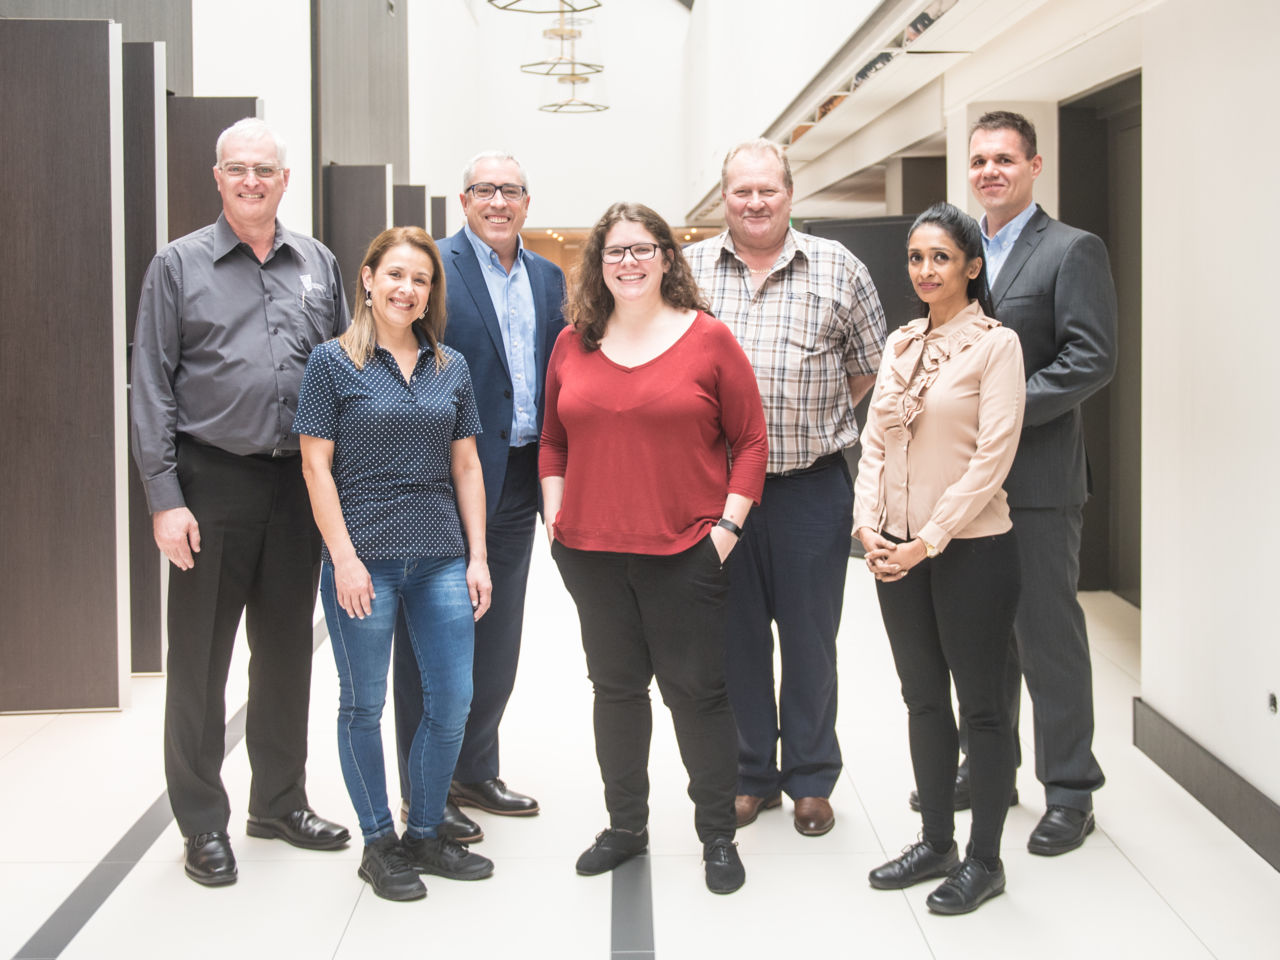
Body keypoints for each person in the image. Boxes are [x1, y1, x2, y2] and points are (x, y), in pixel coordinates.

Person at [130, 117, 350, 886]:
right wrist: (164, 498)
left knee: (286, 653)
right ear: (217, 178)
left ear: (284, 180)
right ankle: (201, 821)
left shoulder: (317, 263)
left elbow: (344, 372)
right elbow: (152, 386)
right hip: (210, 483)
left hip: (296, 485)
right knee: (200, 661)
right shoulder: (177, 264)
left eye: (264, 169)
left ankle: (279, 802)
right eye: (237, 169)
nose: (251, 181)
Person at [540, 202, 768, 894]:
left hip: (685, 553)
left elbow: (751, 442)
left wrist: (725, 532)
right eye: (615, 251)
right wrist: (556, 519)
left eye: (642, 249)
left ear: (667, 258)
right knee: (615, 692)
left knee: (698, 696)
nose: (629, 262)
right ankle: (626, 827)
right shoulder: (572, 343)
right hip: (591, 554)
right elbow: (553, 440)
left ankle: (717, 837)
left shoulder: (709, 339)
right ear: (598, 264)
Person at [920, 111, 1116, 855]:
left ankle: (1070, 790)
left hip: (1036, 481)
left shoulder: (1071, 250)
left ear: (1034, 166)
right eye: (979, 160)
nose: (990, 171)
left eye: (1004, 159)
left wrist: (997, 410)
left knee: (1046, 637)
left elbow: (1090, 358)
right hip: (965, 484)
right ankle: (989, 772)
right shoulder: (960, 253)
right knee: (981, 639)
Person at [685, 139, 886, 836]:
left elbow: (868, 367)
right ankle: (751, 776)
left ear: (790, 194)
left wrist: (812, 417)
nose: (755, 202)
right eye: (741, 191)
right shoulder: (688, 272)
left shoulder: (840, 267)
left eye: (767, 189)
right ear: (724, 198)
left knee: (810, 641)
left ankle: (810, 777)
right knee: (734, 640)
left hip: (810, 489)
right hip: (719, 494)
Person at [294, 226, 495, 901]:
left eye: (422, 279)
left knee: (453, 701)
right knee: (364, 704)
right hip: (364, 561)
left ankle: (425, 831)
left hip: (440, 557)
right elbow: (316, 468)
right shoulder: (331, 362)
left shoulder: (450, 366)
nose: (408, 289)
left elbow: (466, 466)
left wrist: (478, 557)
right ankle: (379, 843)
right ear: (369, 279)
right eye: (397, 275)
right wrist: (343, 559)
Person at [856, 202, 1025, 915]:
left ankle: (985, 860)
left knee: (982, 710)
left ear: (972, 267)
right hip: (896, 550)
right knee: (923, 699)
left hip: (971, 550)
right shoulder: (899, 344)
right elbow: (873, 443)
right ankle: (936, 843)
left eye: (941, 258)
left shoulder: (996, 346)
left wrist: (929, 539)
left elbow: (993, 457)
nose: (925, 270)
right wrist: (868, 527)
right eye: (916, 257)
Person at [391, 151, 566, 842]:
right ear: (463, 200)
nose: (498, 201)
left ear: (527, 202)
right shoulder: (433, 266)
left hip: (520, 478)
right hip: (442, 481)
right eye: (484, 189)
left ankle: (474, 769)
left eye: (511, 190)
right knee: (430, 641)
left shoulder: (548, 277)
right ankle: (422, 791)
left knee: (498, 637)